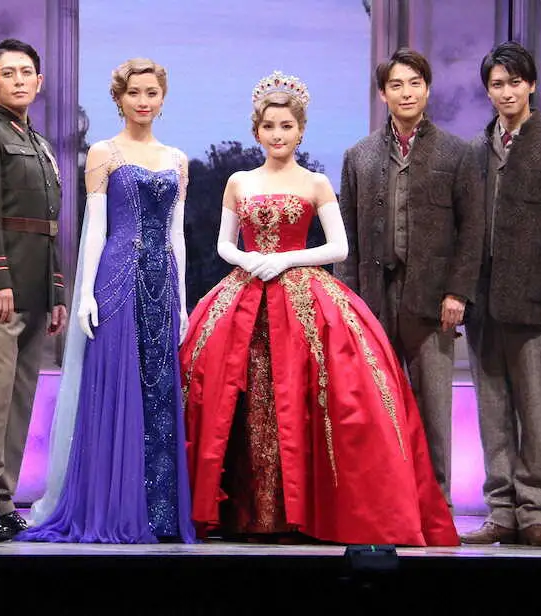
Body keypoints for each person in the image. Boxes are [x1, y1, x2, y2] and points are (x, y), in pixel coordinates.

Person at [180, 71, 458, 546]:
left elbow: (339, 247)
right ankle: (244, 512)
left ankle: (304, 511)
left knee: (308, 394)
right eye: (269, 126)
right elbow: (224, 243)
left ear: (301, 130)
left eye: (286, 126)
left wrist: (286, 259)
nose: (278, 135)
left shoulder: (315, 182)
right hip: (245, 291)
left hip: (301, 296)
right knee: (234, 392)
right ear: (256, 131)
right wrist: (248, 259)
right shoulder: (239, 181)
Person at [17, 58, 196, 543]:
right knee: (114, 389)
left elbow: (177, 235)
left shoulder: (177, 159)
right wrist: (84, 297)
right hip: (116, 279)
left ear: (162, 98)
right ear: (119, 98)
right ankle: (110, 508)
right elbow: (96, 229)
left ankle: (158, 515)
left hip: (163, 281)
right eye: (134, 92)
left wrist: (182, 303)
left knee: (158, 395)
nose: (143, 101)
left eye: (151, 92)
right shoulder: (103, 152)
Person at [336, 48, 484, 502]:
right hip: (374, 301)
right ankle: (382, 505)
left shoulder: (457, 153)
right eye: (396, 85)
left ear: (427, 89)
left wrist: (458, 292)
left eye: (414, 83)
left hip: (432, 300)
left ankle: (436, 504)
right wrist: (349, 302)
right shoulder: (359, 156)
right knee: (376, 408)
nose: (406, 92)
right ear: (383, 94)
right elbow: (347, 234)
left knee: (433, 408)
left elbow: (472, 230)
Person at [459, 42, 541, 547]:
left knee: (535, 412)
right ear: (488, 90)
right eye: (497, 84)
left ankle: (535, 510)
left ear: (531, 85)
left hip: (537, 303)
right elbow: (465, 230)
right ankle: (501, 510)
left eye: (515, 82)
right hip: (483, 302)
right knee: (492, 412)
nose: (506, 92)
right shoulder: (475, 150)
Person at [0, 38, 68, 542]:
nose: (19, 80)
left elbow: (51, 225)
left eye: (26, 72)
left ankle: (4, 499)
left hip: (36, 288)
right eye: (8, 73)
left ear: (39, 82)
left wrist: (57, 292)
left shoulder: (41, 145)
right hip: (0, 291)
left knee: (21, 400)